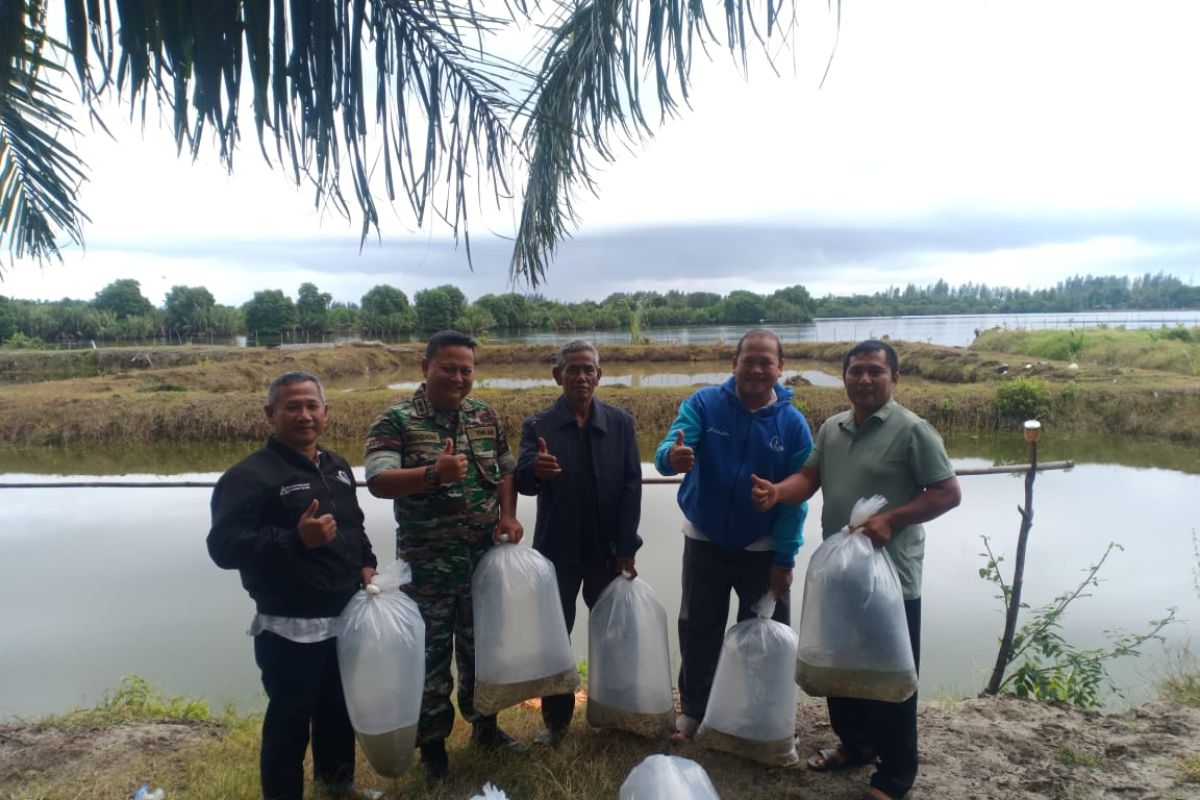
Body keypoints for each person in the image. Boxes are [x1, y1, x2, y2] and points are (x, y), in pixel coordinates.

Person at [751, 339, 962, 800]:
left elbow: (947, 493)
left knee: (890, 676)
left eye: (875, 372)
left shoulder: (913, 430)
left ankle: (895, 774)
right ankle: (857, 745)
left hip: (891, 581)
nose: (864, 379)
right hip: (840, 575)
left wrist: (892, 518)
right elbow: (809, 478)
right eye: (856, 371)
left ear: (894, 378)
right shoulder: (832, 428)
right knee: (839, 666)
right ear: (843, 376)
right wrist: (777, 492)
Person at [207, 371, 381, 800]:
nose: (304, 415)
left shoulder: (337, 467)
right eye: (292, 406)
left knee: (338, 709)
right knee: (289, 722)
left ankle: (338, 784)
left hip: (344, 615)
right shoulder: (248, 477)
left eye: (312, 406)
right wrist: (293, 539)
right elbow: (224, 548)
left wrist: (367, 563)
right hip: (289, 625)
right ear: (271, 414)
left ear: (325, 412)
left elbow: (354, 527)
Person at [363, 330, 525, 783]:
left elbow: (507, 469)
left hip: (481, 563)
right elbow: (378, 481)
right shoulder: (395, 420)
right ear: (425, 367)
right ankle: (433, 750)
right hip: (427, 567)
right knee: (430, 662)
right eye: (448, 368)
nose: (458, 378)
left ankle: (486, 728)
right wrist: (433, 474)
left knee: (483, 651)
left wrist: (508, 515)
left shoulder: (484, 415)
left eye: (466, 370)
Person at [653, 328, 813, 742]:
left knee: (764, 633)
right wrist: (673, 457)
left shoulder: (794, 425)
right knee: (698, 628)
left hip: (762, 548)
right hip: (704, 539)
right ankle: (693, 711)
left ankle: (759, 717)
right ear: (734, 364)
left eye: (767, 362)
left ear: (781, 368)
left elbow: (798, 497)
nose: (757, 369)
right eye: (749, 360)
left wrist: (784, 559)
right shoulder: (704, 404)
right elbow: (666, 450)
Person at [514, 339, 642, 746]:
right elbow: (522, 482)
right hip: (558, 551)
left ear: (599, 376)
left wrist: (627, 546)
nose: (582, 376)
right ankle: (556, 722)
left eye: (589, 369)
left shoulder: (620, 422)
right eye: (573, 369)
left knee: (614, 632)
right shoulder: (539, 426)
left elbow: (631, 486)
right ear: (557, 376)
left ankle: (615, 712)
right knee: (556, 634)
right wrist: (536, 469)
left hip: (607, 550)